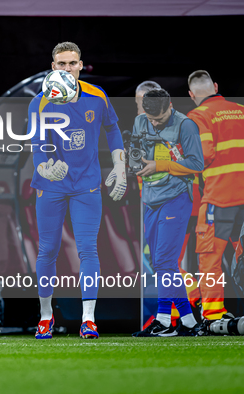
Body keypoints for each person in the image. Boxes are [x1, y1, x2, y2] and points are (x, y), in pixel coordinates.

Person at [29, 42, 126, 340]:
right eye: (61, 64)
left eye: (72, 63)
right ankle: (46, 316)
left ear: (81, 65)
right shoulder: (40, 102)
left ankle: (88, 319)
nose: (67, 68)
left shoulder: (97, 96)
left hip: (87, 185)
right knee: (48, 250)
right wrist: (45, 168)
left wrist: (120, 166)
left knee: (88, 249)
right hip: (50, 186)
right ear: (52, 66)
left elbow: (113, 129)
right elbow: (36, 146)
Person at [132, 89, 205, 337]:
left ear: (170, 106)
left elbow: (197, 164)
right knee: (159, 262)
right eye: (151, 119)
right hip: (150, 199)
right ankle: (186, 320)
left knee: (164, 261)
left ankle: (164, 320)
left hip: (176, 198)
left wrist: (159, 165)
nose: (154, 123)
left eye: (160, 120)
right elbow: (137, 152)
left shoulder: (186, 125)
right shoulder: (141, 120)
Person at [187, 70, 244, 321]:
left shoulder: (198, 116)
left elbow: (203, 155)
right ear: (216, 86)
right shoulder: (241, 109)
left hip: (220, 197)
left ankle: (212, 314)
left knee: (210, 255)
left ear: (191, 95)